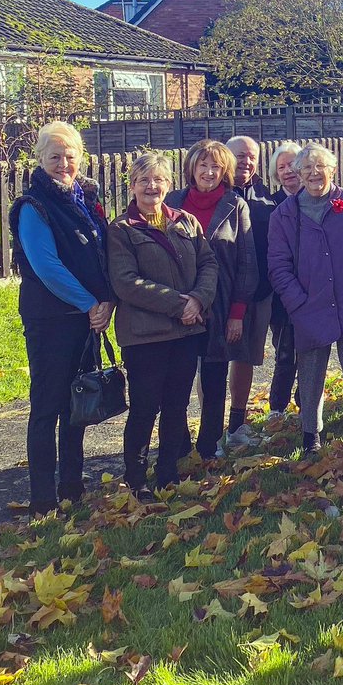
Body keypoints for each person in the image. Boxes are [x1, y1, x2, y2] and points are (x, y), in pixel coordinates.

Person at [8, 122, 115, 514]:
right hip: (52, 321)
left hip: (87, 318)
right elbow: (47, 266)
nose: (63, 163)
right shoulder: (32, 207)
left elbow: (101, 253)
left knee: (78, 401)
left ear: (80, 157)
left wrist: (107, 302)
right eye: (55, 156)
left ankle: (72, 483)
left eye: (70, 155)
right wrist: (91, 303)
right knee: (48, 406)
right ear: (40, 159)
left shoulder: (85, 198)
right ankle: (42, 498)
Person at [108, 152, 218, 497]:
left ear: (169, 184)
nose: (152, 187)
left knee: (177, 405)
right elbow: (125, 282)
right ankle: (136, 478)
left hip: (186, 332)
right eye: (144, 180)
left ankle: (168, 472)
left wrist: (199, 299)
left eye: (158, 180)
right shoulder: (121, 230)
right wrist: (180, 304)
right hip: (145, 337)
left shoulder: (186, 222)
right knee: (144, 408)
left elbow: (209, 263)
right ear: (132, 186)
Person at [268, 142, 343, 459]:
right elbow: (278, 266)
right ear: (298, 174)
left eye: (321, 167)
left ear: (332, 170)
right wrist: (297, 302)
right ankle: (311, 436)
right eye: (307, 169)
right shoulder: (285, 214)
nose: (314, 174)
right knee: (310, 374)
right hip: (310, 306)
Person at [166, 140, 258, 460]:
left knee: (214, 379)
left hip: (220, 307)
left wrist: (237, 313)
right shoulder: (171, 202)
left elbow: (247, 265)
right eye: (202, 165)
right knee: (176, 378)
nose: (208, 172)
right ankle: (178, 446)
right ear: (191, 167)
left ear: (225, 172)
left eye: (216, 167)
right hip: (177, 306)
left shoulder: (235, 206)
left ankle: (208, 448)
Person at [225, 135, 275, 447]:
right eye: (239, 156)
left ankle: (237, 424)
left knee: (245, 358)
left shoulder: (264, 197)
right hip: (220, 294)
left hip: (257, 292)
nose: (246, 161)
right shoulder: (214, 192)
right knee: (215, 362)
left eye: (251, 157)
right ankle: (210, 426)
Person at [266, 141, 301, 414]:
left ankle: (306, 400)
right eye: (282, 167)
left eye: (292, 164)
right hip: (281, 291)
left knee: (314, 348)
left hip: (315, 287)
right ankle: (277, 407)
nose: (288, 171)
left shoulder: (317, 199)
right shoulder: (270, 206)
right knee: (285, 350)